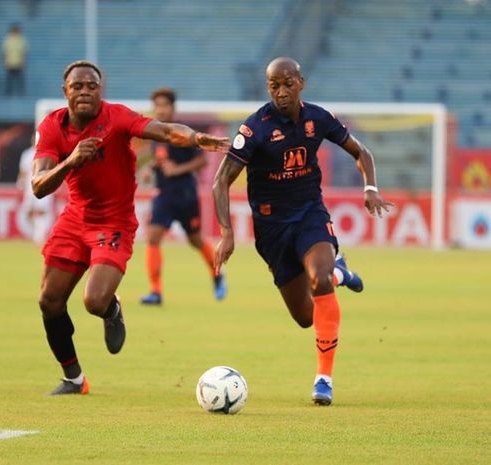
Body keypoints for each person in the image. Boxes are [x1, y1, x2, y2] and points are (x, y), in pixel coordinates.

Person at [33, 60, 228, 395]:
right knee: (49, 301)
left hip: (114, 221)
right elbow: (38, 186)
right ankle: (74, 379)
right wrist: (71, 160)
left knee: (93, 301)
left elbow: (165, 130)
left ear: (100, 91)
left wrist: (195, 138)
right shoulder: (52, 127)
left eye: (91, 86)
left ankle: (112, 309)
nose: (84, 91)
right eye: (77, 86)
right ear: (64, 91)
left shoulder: (117, 117)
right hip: (75, 219)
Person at [212, 57, 393, 406]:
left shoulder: (319, 118)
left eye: (287, 83)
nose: (281, 92)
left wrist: (370, 187)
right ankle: (342, 273)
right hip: (271, 229)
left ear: (301, 82)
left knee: (319, 280)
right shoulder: (254, 129)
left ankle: (324, 378)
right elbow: (221, 183)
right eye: (273, 85)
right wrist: (227, 232)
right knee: (305, 317)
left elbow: (361, 151)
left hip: (310, 213)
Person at [139, 87, 227, 305]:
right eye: (157, 106)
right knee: (153, 236)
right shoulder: (155, 135)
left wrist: (177, 170)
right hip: (164, 195)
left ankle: (217, 275)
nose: (160, 110)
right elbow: (160, 160)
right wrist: (151, 168)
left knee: (195, 240)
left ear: (172, 108)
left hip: (185, 194)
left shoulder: (182, 133)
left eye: (164, 106)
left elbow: (202, 161)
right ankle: (156, 291)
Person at [16, 133, 54, 245]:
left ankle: (39, 236)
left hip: (45, 185)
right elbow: (23, 171)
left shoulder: (48, 153)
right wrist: (20, 184)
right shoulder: (27, 154)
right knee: (29, 211)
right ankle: (33, 234)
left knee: (42, 210)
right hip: (30, 187)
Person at [3, 24, 27, 96]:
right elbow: (5, 52)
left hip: (18, 62)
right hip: (10, 62)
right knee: (9, 79)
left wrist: (23, 62)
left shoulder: (21, 39)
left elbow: (23, 52)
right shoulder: (8, 39)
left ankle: (21, 92)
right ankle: (8, 93)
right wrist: (5, 61)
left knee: (19, 79)